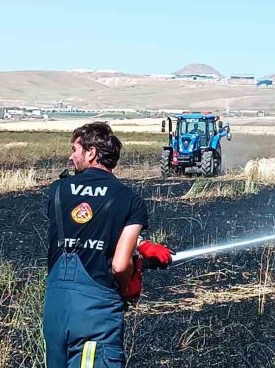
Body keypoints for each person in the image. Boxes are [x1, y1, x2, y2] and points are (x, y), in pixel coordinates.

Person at [43, 122, 173, 368]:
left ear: (91, 153)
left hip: (56, 310)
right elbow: (120, 264)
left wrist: (141, 245)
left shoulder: (58, 191)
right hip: (96, 313)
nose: (72, 156)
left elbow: (82, 229)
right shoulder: (129, 199)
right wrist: (128, 284)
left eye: (75, 149)